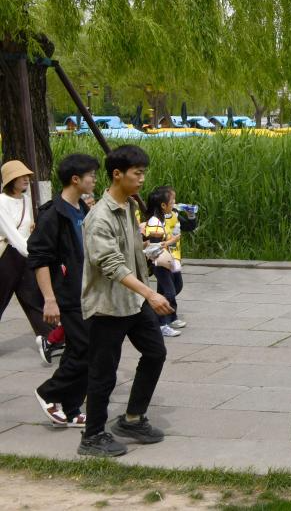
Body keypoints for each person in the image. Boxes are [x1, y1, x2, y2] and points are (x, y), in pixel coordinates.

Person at [79, 145, 173, 457]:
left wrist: (150, 250)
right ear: (117, 174)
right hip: (108, 305)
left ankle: (132, 419)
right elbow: (111, 265)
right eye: (137, 173)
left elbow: (129, 252)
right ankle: (92, 436)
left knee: (155, 353)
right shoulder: (99, 217)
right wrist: (151, 293)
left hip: (134, 301)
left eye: (144, 173)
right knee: (103, 372)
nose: (142, 179)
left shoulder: (128, 206)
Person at [28, 153, 100, 427]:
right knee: (86, 348)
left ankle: (71, 408)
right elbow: (39, 259)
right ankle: (48, 392)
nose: (94, 179)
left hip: (86, 290)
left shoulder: (81, 208)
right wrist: (49, 300)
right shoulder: (53, 214)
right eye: (91, 175)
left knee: (78, 350)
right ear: (75, 179)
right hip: (67, 293)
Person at [0, 160, 55, 352]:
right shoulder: (1, 202)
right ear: (10, 180)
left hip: (24, 255)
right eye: (21, 177)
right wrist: (35, 254)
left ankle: (51, 338)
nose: (26, 179)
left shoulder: (25, 199)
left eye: (26, 176)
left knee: (33, 298)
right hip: (6, 257)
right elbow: (12, 234)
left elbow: (27, 231)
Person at [143, 186, 196, 337]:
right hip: (160, 261)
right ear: (163, 205)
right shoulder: (154, 221)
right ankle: (160, 323)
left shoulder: (173, 214)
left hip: (172, 258)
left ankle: (169, 317)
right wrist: (172, 240)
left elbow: (189, 226)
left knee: (176, 286)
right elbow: (154, 247)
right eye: (172, 201)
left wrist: (191, 215)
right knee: (169, 292)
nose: (175, 203)